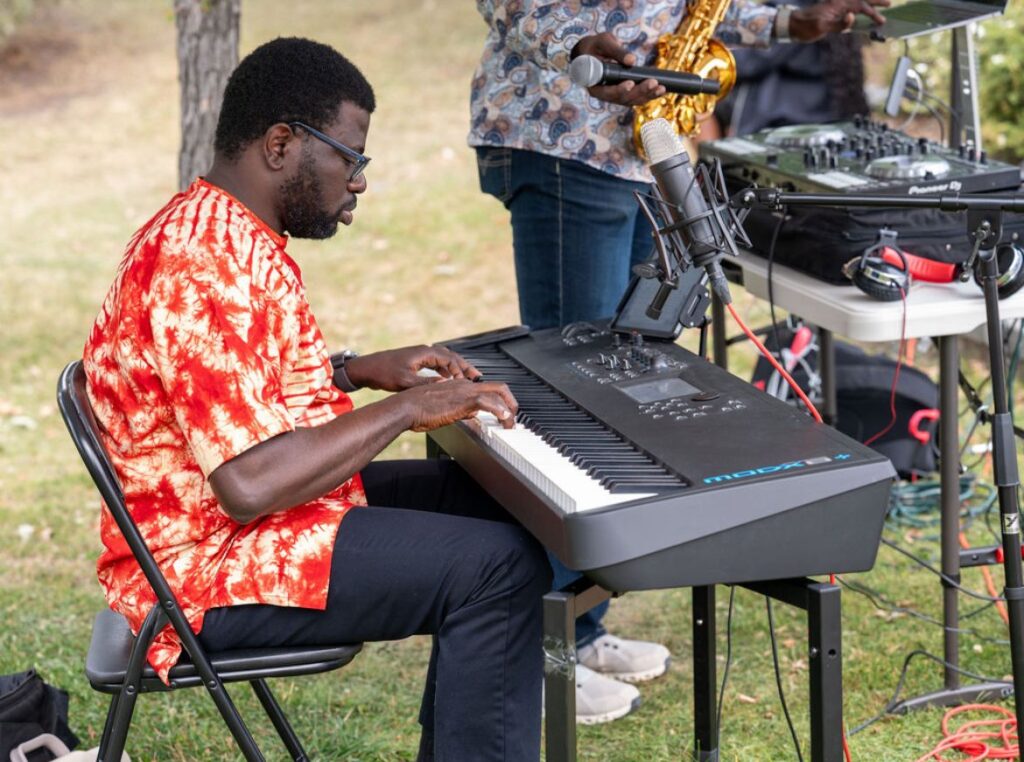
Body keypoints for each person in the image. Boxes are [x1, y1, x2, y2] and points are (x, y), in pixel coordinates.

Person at [83, 37, 551, 762]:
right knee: (497, 568)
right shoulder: (200, 264)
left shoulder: (224, 231)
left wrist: (354, 372)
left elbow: (236, 391)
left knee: (493, 499)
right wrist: (405, 411)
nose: (357, 182)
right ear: (281, 144)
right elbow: (249, 484)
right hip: (201, 569)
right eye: (350, 159)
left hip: (233, 524)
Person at [470, 0, 888, 724]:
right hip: (565, 137)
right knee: (571, 403)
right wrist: (580, 47)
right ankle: (539, 658)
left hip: (637, 147)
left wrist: (789, 22)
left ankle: (583, 628)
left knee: (617, 388)